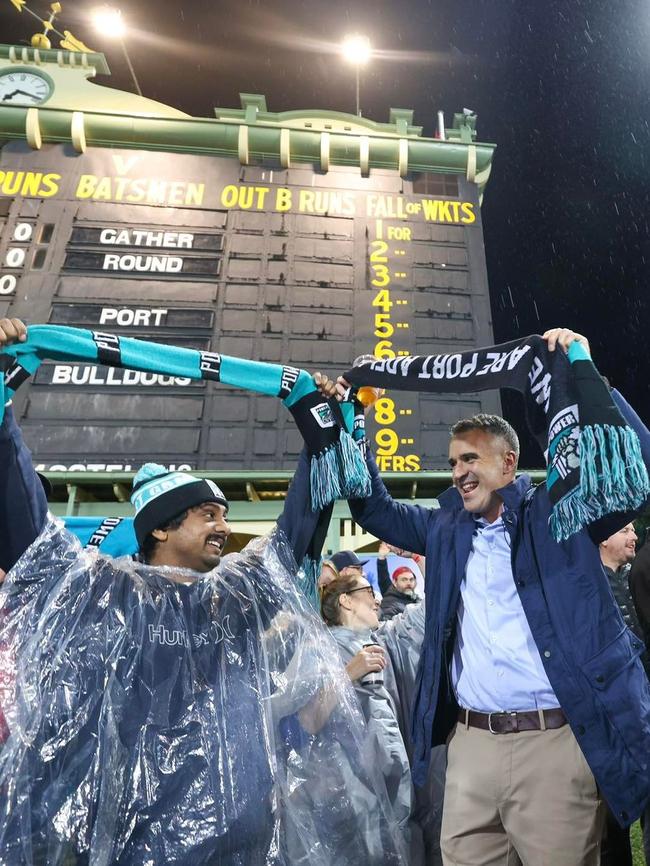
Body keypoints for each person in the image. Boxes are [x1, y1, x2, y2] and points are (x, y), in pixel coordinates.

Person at [0, 319, 406, 866]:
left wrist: (317, 434)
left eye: (226, 515)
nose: (223, 526)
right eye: (206, 513)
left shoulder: (232, 594)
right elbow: (24, 520)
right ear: (160, 529)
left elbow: (294, 534)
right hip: (131, 834)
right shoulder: (101, 591)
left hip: (240, 830)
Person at [338, 327, 650, 866]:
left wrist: (586, 371)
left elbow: (633, 463)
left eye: (472, 460)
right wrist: (353, 421)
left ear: (509, 465)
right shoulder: (445, 529)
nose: (459, 472)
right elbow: (374, 509)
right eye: (455, 461)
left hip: (552, 744)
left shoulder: (560, 515)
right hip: (470, 747)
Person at [315, 570, 443, 865]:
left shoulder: (384, 640)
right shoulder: (320, 649)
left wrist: (425, 559)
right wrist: (348, 675)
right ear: (346, 601)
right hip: (352, 803)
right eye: (369, 592)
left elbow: (426, 613)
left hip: (398, 796)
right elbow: (307, 720)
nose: (377, 600)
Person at [376, 543, 422, 621]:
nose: (408, 583)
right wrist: (381, 558)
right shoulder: (390, 602)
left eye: (411, 579)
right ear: (394, 582)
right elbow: (383, 577)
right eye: (404, 579)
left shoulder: (417, 600)